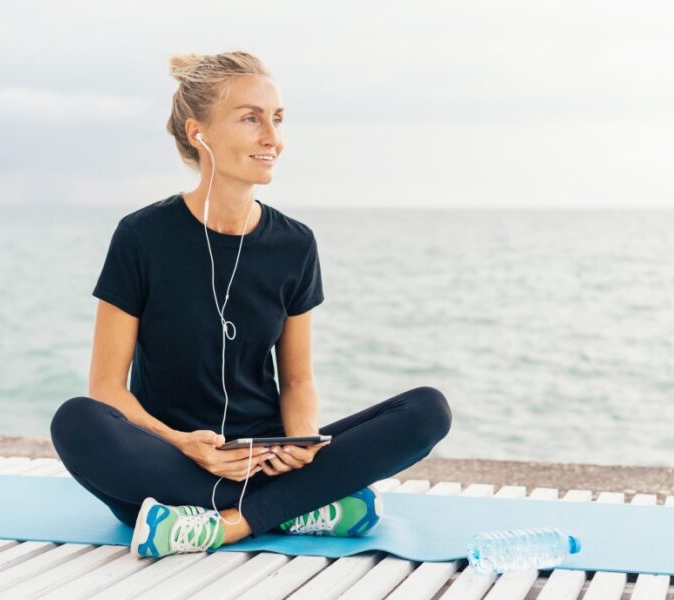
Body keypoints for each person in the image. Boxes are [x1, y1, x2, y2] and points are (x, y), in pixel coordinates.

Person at [50, 50, 452, 559]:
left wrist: (302, 446)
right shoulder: (141, 237)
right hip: (170, 459)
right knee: (76, 421)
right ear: (200, 134)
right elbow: (107, 388)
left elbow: (298, 380)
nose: (273, 137)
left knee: (426, 411)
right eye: (250, 118)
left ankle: (227, 524)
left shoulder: (295, 244)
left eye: (278, 119)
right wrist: (182, 443)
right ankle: (300, 508)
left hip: (265, 456)